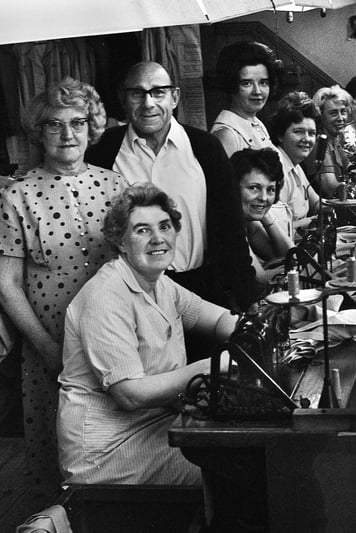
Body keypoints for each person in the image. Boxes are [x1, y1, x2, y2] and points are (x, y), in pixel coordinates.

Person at [57, 184, 238, 484]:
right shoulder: (106, 295)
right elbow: (130, 394)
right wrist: (208, 368)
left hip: (156, 425)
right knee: (233, 464)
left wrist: (253, 330)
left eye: (165, 226)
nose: (158, 238)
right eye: (142, 230)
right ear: (121, 242)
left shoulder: (160, 284)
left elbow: (218, 318)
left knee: (239, 452)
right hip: (109, 451)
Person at [0, 77, 127, 487]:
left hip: (111, 337)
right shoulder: (17, 196)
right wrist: (46, 348)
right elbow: (6, 284)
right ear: (40, 131)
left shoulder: (115, 186)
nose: (68, 134)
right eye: (55, 124)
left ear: (92, 128)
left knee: (118, 443)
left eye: (78, 122)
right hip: (50, 345)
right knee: (60, 454)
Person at [85, 61, 256, 312]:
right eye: (137, 93)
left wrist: (248, 299)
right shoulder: (102, 151)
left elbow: (232, 229)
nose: (148, 103)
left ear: (174, 97)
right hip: (132, 297)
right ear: (124, 99)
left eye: (158, 92)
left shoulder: (205, 148)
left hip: (201, 289)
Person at [231, 148, 293, 287]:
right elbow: (260, 279)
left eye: (270, 189)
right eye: (254, 188)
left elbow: (291, 257)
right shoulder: (230, 227)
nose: (264, 197)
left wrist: (265, 215)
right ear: (233, 187)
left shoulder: (250, 222)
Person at [210, 41, 280, 157]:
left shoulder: (257, 123)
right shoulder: (226, 135)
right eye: (247, 83)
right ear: (231, 85)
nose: (257, 91)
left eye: (263, 83)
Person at [268, 91, 321, 237]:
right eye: (298, 132)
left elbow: (318, 203)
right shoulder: (277, 166)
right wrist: (313, 221)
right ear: (280, 135)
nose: (307, 139)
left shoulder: (294, 164)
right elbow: (278, 230)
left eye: (311, 133)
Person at [302, 85, 352, 197]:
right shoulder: (319, 143)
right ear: (320, 116)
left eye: (343, 112)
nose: (340, 118)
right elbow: (330, 188)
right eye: (333, 113)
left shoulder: (335, 141)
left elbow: (352, 171)